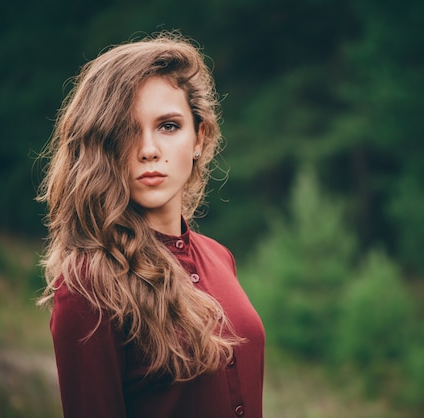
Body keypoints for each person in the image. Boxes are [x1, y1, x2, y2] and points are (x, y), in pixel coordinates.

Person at [37, 32, 265, 418]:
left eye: (169, 126)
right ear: (103, 145)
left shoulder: (220, 257)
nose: (148, 150)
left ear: (199, 137)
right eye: (127, 130)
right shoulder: (87, 285)